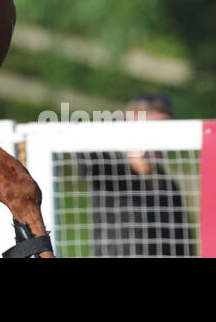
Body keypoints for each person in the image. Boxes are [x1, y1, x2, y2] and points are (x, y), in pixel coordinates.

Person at [75, 93, 196, 257]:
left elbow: (184, 243)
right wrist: (120, 122)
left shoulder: (169, 185)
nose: (163, 137)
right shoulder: (110, 171)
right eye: (156, 129)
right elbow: (84, 152)